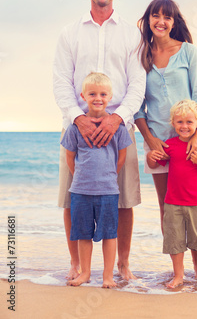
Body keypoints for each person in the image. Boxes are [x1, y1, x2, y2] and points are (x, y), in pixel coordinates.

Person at [53, 0, 145, 281]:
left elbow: (137, 83)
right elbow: (61, 82)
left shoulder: (132, 34)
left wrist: (117, 119)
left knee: (123, 198)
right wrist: (77, 118)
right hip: (77, 126)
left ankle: (122, 265)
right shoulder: (70, 33)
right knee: (71, 196)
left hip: (120, 126)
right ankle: (77, 265)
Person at [134, 0, 197, 278]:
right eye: (155, 15)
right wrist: (150, 140)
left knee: (191, 206)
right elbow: (137, 105)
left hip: (188, 142)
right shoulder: (141, 56)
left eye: (167, 17)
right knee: (168, 208)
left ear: (174, 21)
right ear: (148, 20)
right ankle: (178, 273)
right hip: (159, 144)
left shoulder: (188, 52)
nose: (161, 21)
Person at [62, 72, 132, 288]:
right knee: (83, 233)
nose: (98, 98)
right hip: (81, 191)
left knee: (110, 234)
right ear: (83, 96)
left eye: (103, 94)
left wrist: (108, 175)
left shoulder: (118, 128)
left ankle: (108, 276)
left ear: (110, 96)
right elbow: (70, 157)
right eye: (92, 94)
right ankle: (85, 273)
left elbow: (121, 157)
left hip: (108, 191)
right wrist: (82, 177)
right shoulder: (75, 128)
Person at [147, 99, 197, 290]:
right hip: (172, 203)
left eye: (189, 122)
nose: (184, 126)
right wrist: (150, 157)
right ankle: (178, 276)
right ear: (173, 123)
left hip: (196, 204)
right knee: (175, 242)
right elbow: (156, 165)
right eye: (180, 122)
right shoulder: (170, 145)